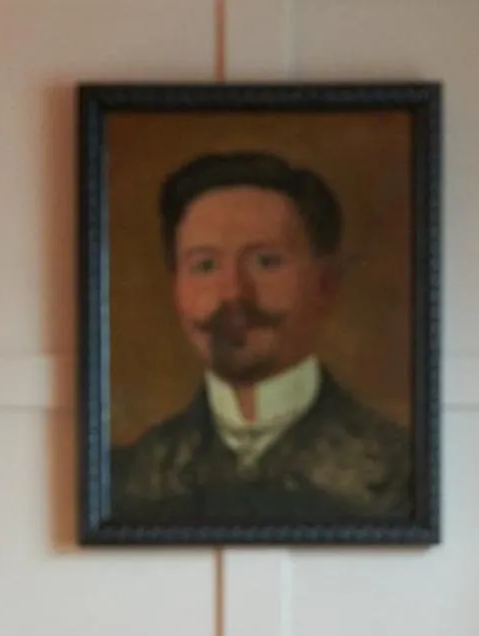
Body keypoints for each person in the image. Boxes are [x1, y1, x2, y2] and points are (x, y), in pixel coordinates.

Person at [110, 150, 412, 525]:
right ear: (176, 289)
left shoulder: (402, 474)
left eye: (265, 262)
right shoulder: (125, 479)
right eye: (204, 265)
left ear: (324, 284)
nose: (232, 292)